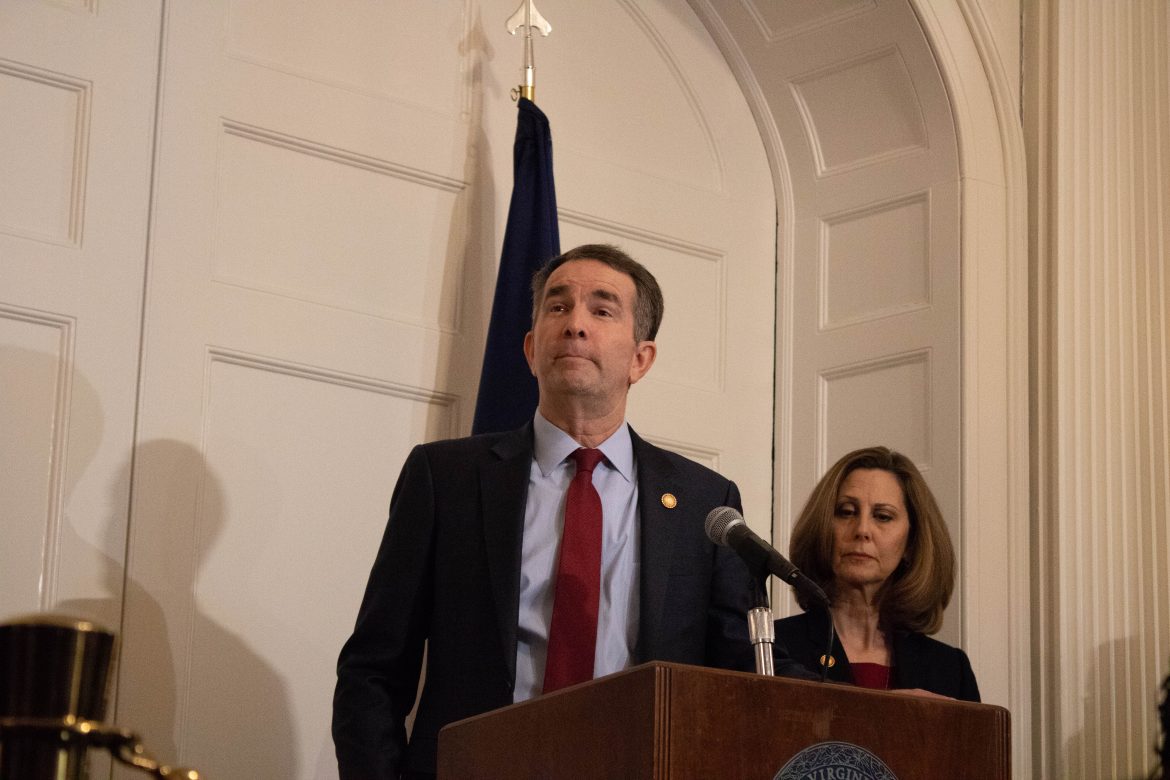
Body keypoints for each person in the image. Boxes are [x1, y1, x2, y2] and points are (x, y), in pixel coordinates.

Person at [332, 244, 758, 779]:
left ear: (640, 359)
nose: (575, 324)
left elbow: (738, 679)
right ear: (532, 349)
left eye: (602, 310)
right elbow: (373, 670)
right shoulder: (446, 479)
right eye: (558, 307)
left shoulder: (704, 502)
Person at [772, 446, 980, 702]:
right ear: (823, 529)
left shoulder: (949, 668)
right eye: (846, 512)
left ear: (912, 543)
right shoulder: (773, 647)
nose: (862, 530)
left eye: (882, 516)